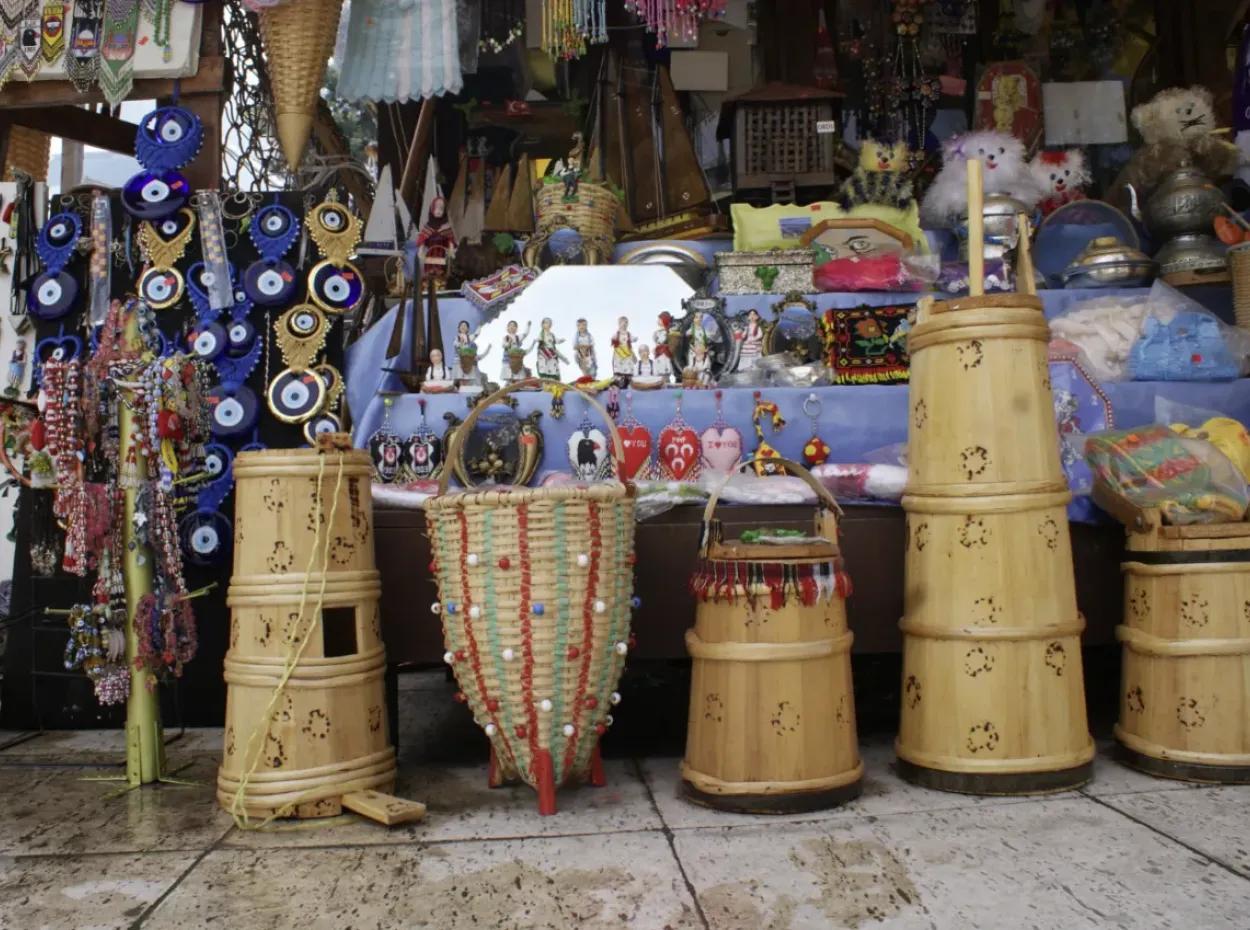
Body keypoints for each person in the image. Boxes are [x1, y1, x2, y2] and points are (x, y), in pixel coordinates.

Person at [416, 196, 457, 285]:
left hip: (441, 252)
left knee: (441, 269)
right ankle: (429, 283)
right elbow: (423, 238)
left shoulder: (446, 227)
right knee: (429, 268)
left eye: (441, 209)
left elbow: (450, 239)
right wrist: (421, 249)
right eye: (436, 208)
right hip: (430, 251)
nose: (438, 211)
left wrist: (451, 249)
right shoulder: (428, 226)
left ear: (444, 211)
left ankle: (440, 283)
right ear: (432, 209)